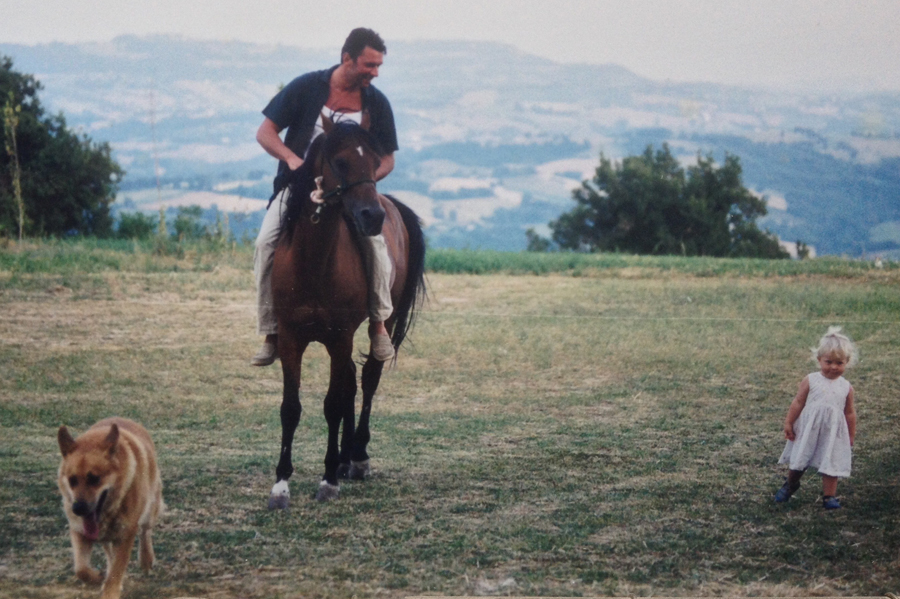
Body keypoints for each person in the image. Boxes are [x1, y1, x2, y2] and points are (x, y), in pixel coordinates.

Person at [252, 28, 399, 366]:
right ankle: (271, 331)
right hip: (299, 187)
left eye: (379, 66)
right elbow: (265, 133)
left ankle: (378, 325)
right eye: (369, 65)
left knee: (375, 245)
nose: (375, 73)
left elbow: (388, 158)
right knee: (264, 243)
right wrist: (291, 159)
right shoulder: (307, 87)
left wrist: (362, 182)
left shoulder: (375, 102)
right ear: (347, 58)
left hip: (350, 193)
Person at [774, 326, 858, 509]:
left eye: (839, 363)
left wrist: (850, 435)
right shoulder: (811, 380)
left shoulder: (846, 387)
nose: (834, 367)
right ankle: (791, 484)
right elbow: (798, 402)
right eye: (829, 362)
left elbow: (849, 413)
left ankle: (829, 496)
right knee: (800, 459)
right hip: (808, 428)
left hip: (833, 431)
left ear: (847, 362)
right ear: (819, 359)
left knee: (831, 461)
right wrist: (789, 422)